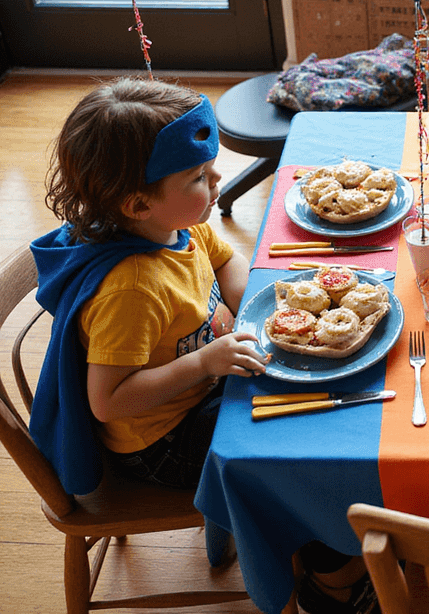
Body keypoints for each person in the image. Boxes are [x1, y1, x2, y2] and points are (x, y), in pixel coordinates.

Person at [29, 77, 376, 614]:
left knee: (316, 407)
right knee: (295, 449)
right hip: (161, 441)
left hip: (204, 384)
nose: (218, 182)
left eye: (213, 168)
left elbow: (226, 261)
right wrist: (204, 361)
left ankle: (333, 537)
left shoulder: (176, 227)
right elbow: (109, 400)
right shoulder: (132, 287)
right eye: (198, 175)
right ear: (138, 203)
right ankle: (329, 577)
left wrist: (258, 309)